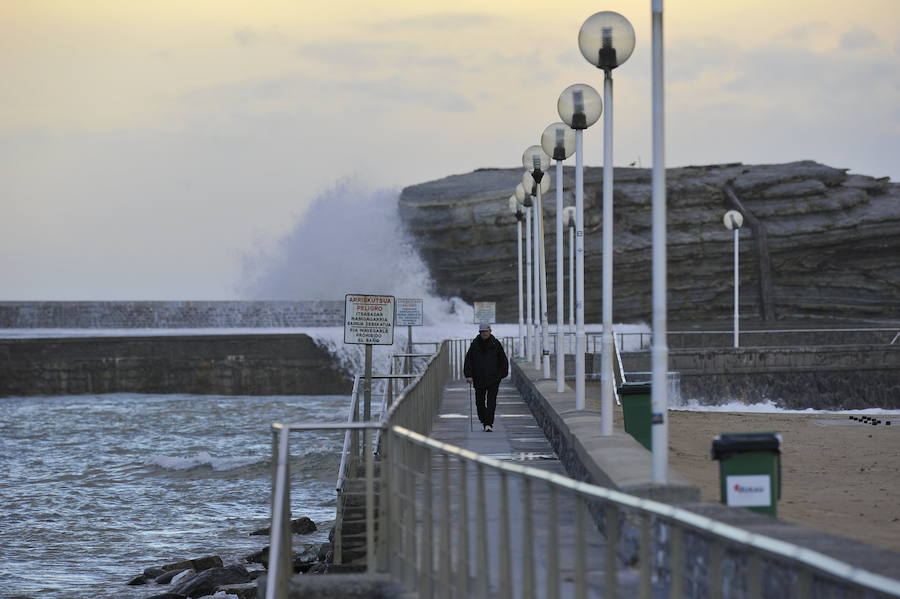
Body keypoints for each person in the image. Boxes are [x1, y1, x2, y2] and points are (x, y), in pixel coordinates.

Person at [463, 324, 509, 432]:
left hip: (493, 378)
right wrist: (468, 375)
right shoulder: (474, 345)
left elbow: (503, 360)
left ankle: (488, 424)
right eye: (482, 331)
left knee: (491, 401)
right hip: (478, 378)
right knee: (479, 402)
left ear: (490, 331)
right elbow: (468, 360)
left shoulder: (496, 344)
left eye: (486, 331)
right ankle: (484, 420)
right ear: (480, 333)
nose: (484, 333)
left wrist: (502, 374)